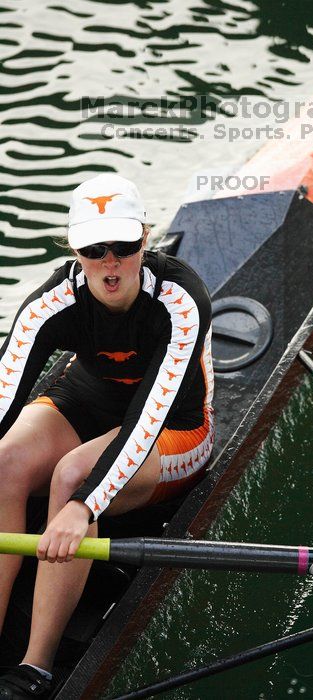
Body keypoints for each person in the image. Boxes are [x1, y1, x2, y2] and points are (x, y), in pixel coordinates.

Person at [0, 174, 214, 698]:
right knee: (4, 461)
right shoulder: (51, 301)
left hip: (176, 428)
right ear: (75, 249)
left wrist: (84, 504)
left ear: (146, 239)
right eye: (96, 249)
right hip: (89, 402)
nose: (111, 262)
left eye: (124, 246)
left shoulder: (180, 301)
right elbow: (3, 400)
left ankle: (36, 665)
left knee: (71, 476)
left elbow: (148, 418)